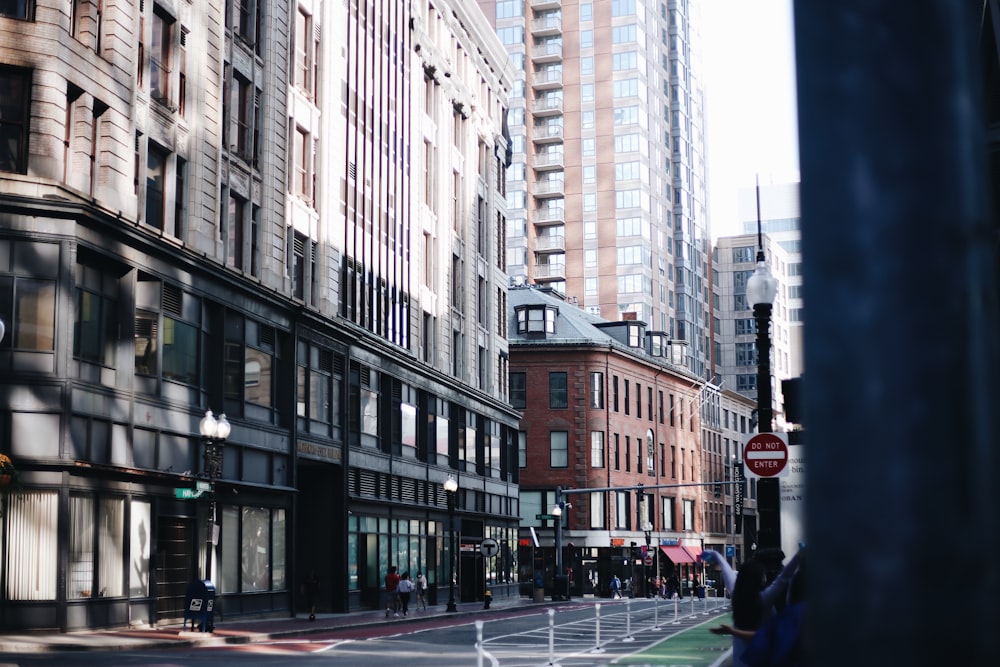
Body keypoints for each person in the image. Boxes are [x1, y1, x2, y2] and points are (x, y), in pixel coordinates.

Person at [705, 547, 804, 667]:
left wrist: (716, 556)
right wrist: (798, 555)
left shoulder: (737, 595)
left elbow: (727, 572)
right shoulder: (764, 599)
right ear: (759, 579)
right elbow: (783, 578)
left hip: (741, 661)